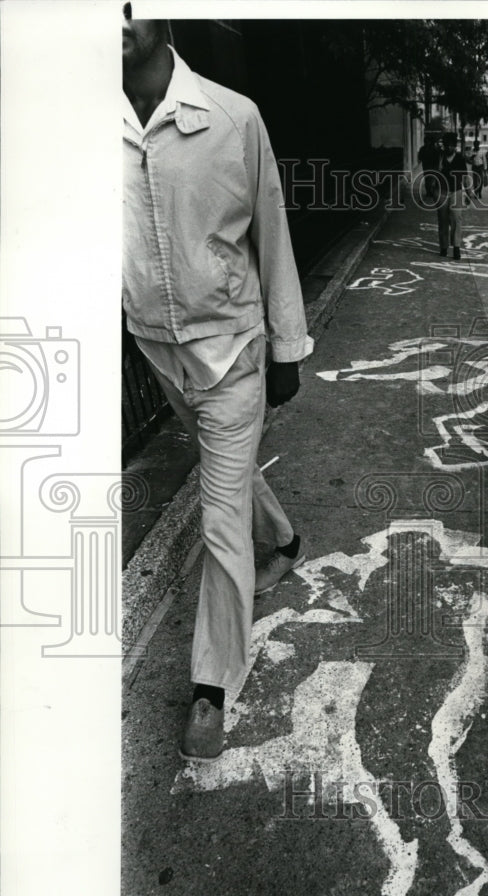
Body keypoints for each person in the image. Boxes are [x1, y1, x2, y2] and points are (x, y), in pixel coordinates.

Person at [122, 16, 313, 760]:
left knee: (219, 516)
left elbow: (272, 230)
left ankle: (211, 685)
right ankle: (288, 539)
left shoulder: (233, 117)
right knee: (219, 477)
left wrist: (288, 345)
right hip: (156, 348)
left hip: (232, 351)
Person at [435, 133, 469, 260]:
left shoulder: (460, 159)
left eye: (451, 146)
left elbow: (465, 177)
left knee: (456, 218)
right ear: (444, 146)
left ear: (455, 146)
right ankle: (443, 247)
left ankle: (456, 247)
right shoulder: (440, 157)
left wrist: (469, 192)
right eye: (446, 145)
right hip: (442, 191)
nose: (449, 148)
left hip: (456, 191)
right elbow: (435, 174)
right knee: (443, 220)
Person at [417, 134, 441, 203]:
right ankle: (430, 192)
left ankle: (430, 192)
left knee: (430, 180)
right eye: (426, 141)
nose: (427, 142)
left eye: (428, 141)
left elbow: (420, 157)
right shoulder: (432, 149)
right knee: (429, 180)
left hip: (430, 167)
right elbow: (420, 157)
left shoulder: (427, 149)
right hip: (429, 167)